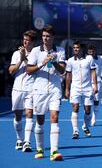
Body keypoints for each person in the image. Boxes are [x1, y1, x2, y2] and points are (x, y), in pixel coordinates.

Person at [26, 25, 65, 161]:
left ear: (53, 37)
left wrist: (53, 61)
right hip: (39, 90)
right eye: (43, 36)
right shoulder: (36, 51)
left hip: (55, 89)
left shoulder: (60, 51)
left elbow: (62, 71)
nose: (45, 38)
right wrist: (41, 64)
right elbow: (28, 70)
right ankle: (40, 149)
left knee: (54, 118)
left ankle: (54, 151)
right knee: (40, 120)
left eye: (48, 36)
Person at [9, 30, 36, 152]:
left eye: (28, 40)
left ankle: (27, 142)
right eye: (24, 39)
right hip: (17, 89)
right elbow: (11, 71)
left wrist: (25, 57)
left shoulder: (36, 53)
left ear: (32, 42)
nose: (25, 42)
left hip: (31, 89)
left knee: (30, 114)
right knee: (18, 116)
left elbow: (31, 69)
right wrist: (20, 58)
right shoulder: (16, 54)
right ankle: (19, 140)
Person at [65, 41, 98, 139]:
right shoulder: (70, 60)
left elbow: (93, 72)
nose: (75, 49)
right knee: (75, 107)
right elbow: (68, 75)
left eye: (77, 47)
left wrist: (95, 85)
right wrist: (67, 89)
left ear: (81, 49)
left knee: (87, 110)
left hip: (87, 88)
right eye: (74, 47)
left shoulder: (89, 59)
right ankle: (75, 130)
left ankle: (85, 126)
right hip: (75, 88)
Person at [87, 44, 102, 126]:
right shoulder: (86, 59)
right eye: (89, 52)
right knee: (88, 102)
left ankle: (94, 118)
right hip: (87, 83)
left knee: (96, 101)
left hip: (98, 82)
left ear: (95, 51)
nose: (91, 53)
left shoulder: (100, 58)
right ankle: (88, 117)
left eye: (92, 52)